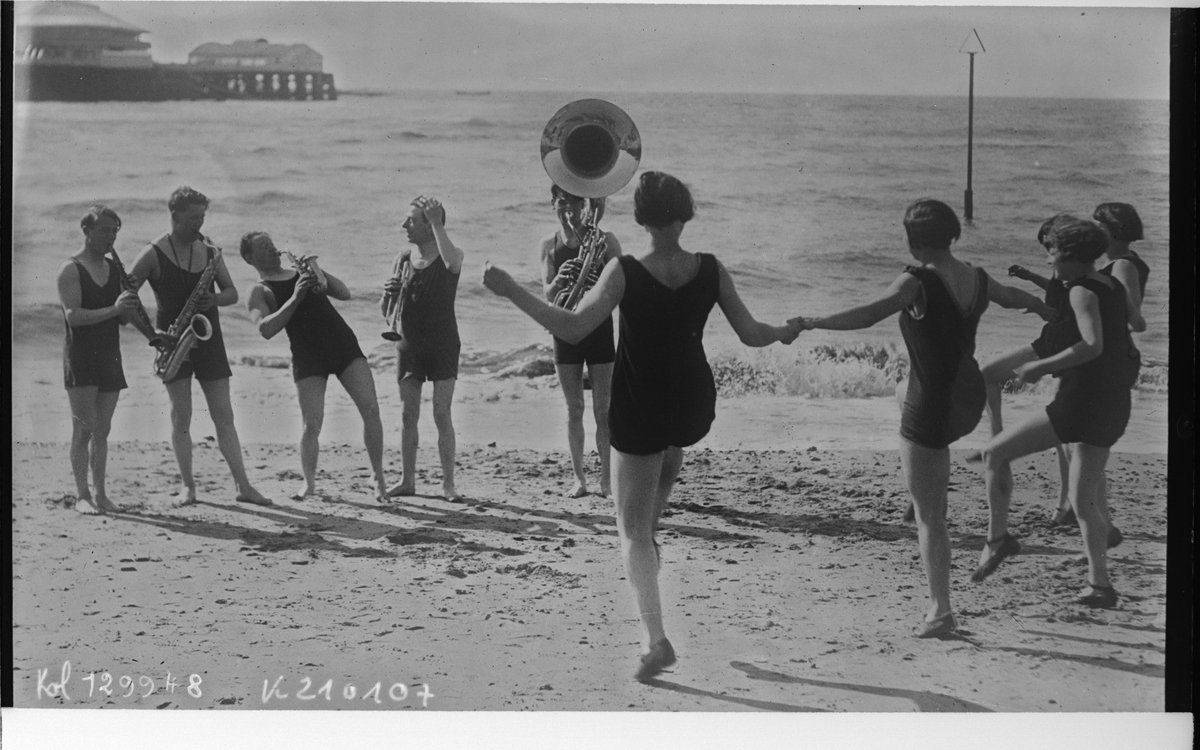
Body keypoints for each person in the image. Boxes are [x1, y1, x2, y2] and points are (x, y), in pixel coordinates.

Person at [484, 171, 801, 681]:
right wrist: (785, 332)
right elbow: (751, 333)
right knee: (666, 463)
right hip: (693, 403)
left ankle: (655, 640)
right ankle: (654, 530)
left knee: (630, 532)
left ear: (640, 218)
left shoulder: (625, 270)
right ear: (686, 213)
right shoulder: (711, 269)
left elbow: (572, 327)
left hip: (642, 404)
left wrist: (508, 291)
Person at [795, 198, 1051, 639]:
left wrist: (810, 321)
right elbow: (1014, 299)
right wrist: (1046, 308)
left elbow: (869, 313)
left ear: (914, 241)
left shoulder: (915, 282)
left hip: (931, 411)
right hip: (967, 401)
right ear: (953, 235)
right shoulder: (978, 277)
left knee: (932, 517)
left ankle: (940, 611)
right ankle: (917, 493)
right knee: (901, 388)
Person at [971, 218, 1138, 610]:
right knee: (1084, 501)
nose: (1049, 259)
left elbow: (1092, 345)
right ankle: (1100, 585)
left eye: (1053, 253)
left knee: (996, 453)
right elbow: (1128, 327)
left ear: (1069, 256)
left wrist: (1039, 367)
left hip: (1081, 402)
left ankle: (998, 539)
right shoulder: (1109, 282)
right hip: (1113, 403)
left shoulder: (1080, 290)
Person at [129, 186, 272, 507]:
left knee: (225, 415)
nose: (199, 224)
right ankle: (188, 487)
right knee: (182, 416)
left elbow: (232, 293)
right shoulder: (152, 253)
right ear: (174, 215)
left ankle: (244, 485)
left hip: (209, 339)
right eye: (193, 218)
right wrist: (151, 332)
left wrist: (214, 299)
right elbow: (126, 295)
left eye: (202, 217)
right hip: (172, 341)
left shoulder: (209, 252)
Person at [241, 231, 388, 502]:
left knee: (370, 409)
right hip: (308, 356)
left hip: (342, 344)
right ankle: (309, 484)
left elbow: (344, 294)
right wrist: (296, 297)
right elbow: (265, 329)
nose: (273, 249)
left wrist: (316, 271)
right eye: (264, 246)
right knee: (312, 424)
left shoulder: (301, 270)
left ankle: (378, 477)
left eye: (272, 243)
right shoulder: (258, 290)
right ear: (250, 257)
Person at [979, 215, 1076, 527]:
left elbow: (1062, 306)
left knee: (1069, 435)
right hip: (1051, 341)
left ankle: (1068, 505)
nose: (1047, 252)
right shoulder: (1066, 271)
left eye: (1049, 246)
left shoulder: (1075, 274)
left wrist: (1038, 306)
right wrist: (1028, 276)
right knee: (989, 374)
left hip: (1058, 346)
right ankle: (997, 443)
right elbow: (1054, 290)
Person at [57, 205, 145, 514]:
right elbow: (74, 317)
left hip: (109, 354)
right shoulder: (70, 269)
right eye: (104, 231)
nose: (110, 237)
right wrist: (115, 308)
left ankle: (102, 494)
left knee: (102, 430)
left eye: (114, 232)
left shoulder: (114, 269)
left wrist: (148, 327)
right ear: (86, 230)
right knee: (83, 429)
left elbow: (122, 320)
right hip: (81, 356)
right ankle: (83, 496)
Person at [540, 186, 623, 498]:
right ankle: (579, 479)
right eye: (563, 202)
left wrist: (596, 272)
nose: (570, 209)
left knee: (603, 410)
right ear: (553, 205)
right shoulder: (549, 244)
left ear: (585, 204)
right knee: (574, 407)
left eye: (576, 202)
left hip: (599, 328)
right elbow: (547, 295)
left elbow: (622, 281)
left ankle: (605, 480)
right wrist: (561, 278)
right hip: (564, 330)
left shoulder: (606, 240)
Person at [380, 195, 465, 501]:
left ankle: (448, 484)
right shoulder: (403, 259)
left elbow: (453, 263)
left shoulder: (450, 255)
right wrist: (386, 295)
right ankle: (407, 480)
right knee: (407, 415)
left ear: (430, 226)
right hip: (409, 344)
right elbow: (386, 310)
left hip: (443, 343)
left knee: (441, 413)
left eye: (413, 220)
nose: (405, 225)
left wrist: (438, 222)